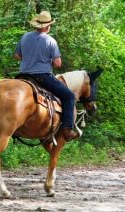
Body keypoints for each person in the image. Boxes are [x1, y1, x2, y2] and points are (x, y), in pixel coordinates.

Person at [14, 10, 79, 141]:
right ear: (47, 26)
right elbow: (58, 63)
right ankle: (67, 129)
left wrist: (29, 58)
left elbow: (17, 56)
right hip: (42, 77)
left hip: (23, 76)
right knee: (69, 96)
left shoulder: (25, 37)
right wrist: (46, 61)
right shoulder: (50, 41)